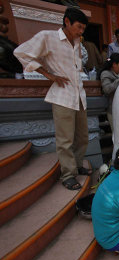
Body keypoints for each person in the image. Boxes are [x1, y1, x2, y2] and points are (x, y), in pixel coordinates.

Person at [14, 8, 90, 190]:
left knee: (83, 137)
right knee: (65, 140)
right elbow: (21, 52)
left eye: (83, 29)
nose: (80, 32)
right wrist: (48, 75)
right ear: (67, 22)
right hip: (62, 96)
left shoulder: (78, 42)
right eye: (78, 27)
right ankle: (68, 175)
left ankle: (78, 165)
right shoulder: (48, 37)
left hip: (79, 95)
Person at [99, 53, 119, 131]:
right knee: (118, 135)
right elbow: (107, 89)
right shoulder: (105, 74)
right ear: (114, 64)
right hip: (113, 110)